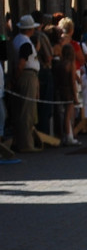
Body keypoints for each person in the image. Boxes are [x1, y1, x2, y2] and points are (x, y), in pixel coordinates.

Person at [11, 14, 41, 153]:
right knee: (27, 111)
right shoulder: (26, 43)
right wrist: (17, 77)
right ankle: (26, 144)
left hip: (24, 75)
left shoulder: (17, 39)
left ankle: (21, 141)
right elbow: (22, 63)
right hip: (27, 75)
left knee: (21, 110)